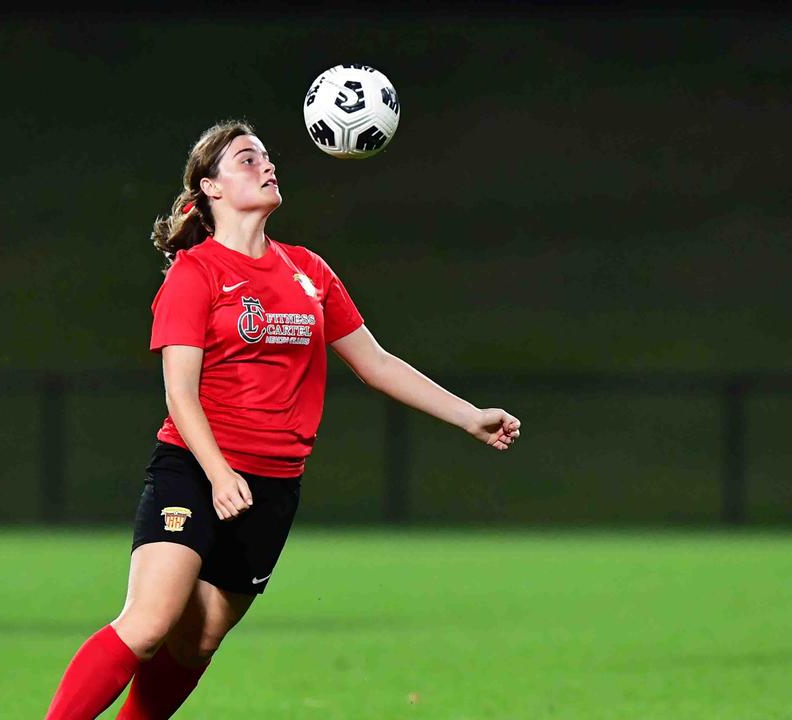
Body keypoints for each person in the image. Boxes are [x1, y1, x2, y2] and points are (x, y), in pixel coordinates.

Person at [43, 121, 523, 720]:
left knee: (196, 644)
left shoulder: (309, 272)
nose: (267, 166)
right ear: (210, 188)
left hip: (272, 487)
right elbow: (180, 394)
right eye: (247, 159)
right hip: (194, 471)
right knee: (148, 623)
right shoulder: (197, 273)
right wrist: (217, 474)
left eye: (267, 157)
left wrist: (469, 416)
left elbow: (374, 362)